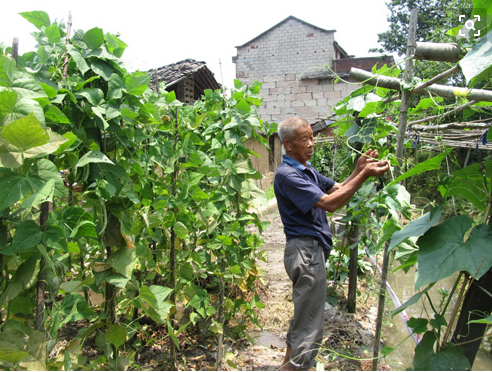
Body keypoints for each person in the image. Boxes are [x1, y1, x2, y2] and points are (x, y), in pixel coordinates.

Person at [273, 116, 389, 370]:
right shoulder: (288, 175)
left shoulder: (307, 170)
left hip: (309, 251)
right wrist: (366, 175)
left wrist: (358, 171)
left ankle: (287, 365)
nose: (312, 143)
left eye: (312, 137)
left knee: (305, 313)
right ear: (289, 144)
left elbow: (337, 189)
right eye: (305, 140)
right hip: (305, 252)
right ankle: (298, 367)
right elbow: (330, 204)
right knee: (311, 320)